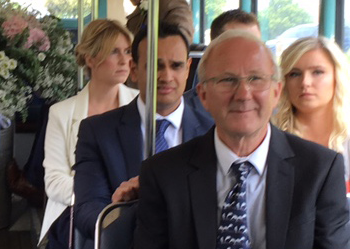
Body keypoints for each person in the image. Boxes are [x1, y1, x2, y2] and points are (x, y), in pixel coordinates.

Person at [135, 30, 350, 249]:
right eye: (228, 80)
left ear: (276, 92)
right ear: (203, 95)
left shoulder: (320, 170)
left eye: (256, 79)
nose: (243, 94)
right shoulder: (164, 174)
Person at [73, 23, 213, 249]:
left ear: (188, 69)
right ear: (134, 69)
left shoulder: (212, 130)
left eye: (176, 66)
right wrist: (118, 209)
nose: (166, 76)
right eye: (156, 66)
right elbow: (87, 210)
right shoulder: (98, 132)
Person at [39, 19, 139, 248]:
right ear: (91, 58)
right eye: (114, 52)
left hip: (132, 210)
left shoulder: (141, 106)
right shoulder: (61, 113)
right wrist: (97, 197)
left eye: (127, 51)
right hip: (74, 212)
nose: (125, 60)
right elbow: (54, 182)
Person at [273, 36, 350, 185]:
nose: (305, 83)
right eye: (294, 74)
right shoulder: (270, 136)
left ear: (337, 76)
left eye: (317, 72)